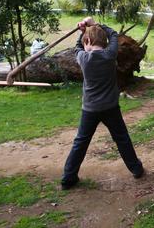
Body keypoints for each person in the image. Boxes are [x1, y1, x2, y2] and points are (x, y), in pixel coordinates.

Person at [60, 17, 145, 190]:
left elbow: (77, 47)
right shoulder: (110, 54)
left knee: (81, 142)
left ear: (88, 42)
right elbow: (113, 34)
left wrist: (82, 32)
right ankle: (136, 169)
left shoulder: (83, 58)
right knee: (122, 138)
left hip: (90, 109)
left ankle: (68, 178)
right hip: (110, 108)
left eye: (86, 42)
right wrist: (95, 24)